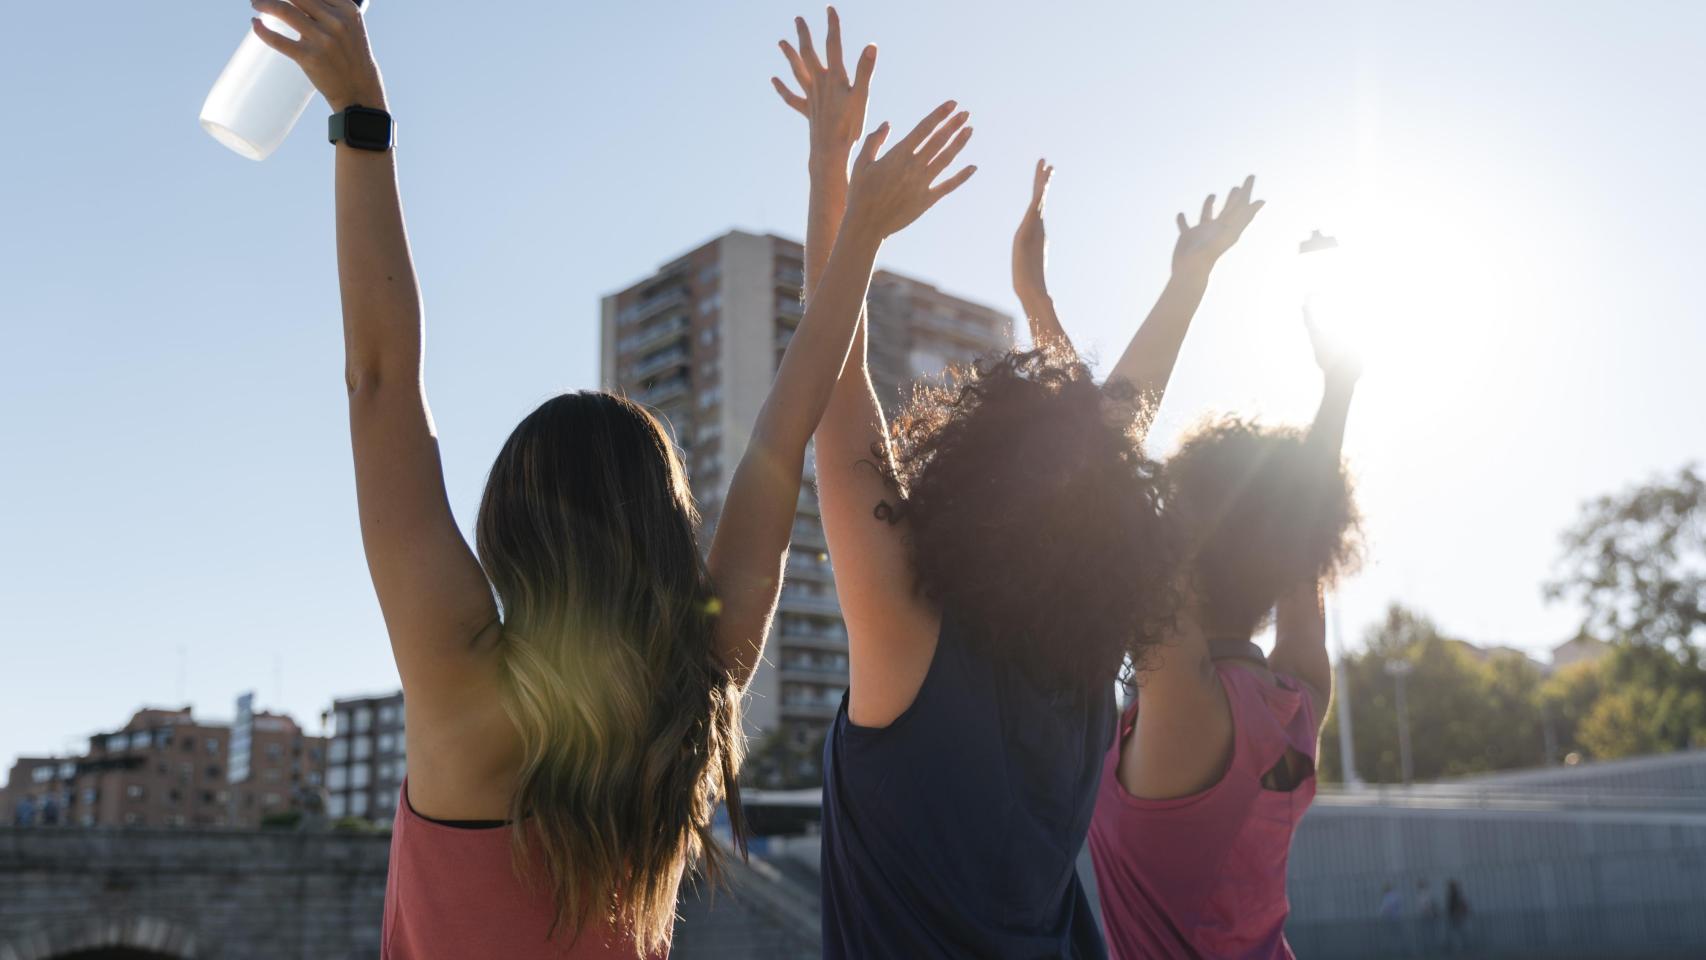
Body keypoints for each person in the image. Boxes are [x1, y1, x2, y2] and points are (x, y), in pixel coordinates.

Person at [250, 2, 972, 956]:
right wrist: (851, 220)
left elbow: (380, 380)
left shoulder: (457, 679)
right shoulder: (693, 698)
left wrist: (360, 114)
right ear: (664, 529)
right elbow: (783, 430)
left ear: (506, 527)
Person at [771, 12, 1246, 955]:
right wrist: (1160, 288)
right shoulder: (1082, 676)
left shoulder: (909, 638)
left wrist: (836, 180)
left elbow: (835, 383)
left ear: (962, 476)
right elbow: (1109, 446)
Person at [1083, 200, 1363, 955]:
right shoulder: (1295, 698)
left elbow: (1100, 475)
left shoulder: (1189, 705)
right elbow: (1301, 534)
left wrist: (1191, 279)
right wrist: (1335, 393)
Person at [1445, 878, 1471, 953]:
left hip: (1455, 915)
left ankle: (1458, 947)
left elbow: (1454, 905)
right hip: (1455, 915)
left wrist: (1456, 913)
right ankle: (1460, 946)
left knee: (1456, 932)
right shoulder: (1455, 894)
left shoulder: (1454, 894)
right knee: (1458, 931)